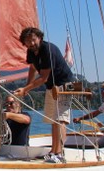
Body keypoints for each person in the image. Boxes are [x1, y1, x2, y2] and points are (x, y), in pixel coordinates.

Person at [13, 27, 73, 163]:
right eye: (28, 42)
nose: (31, 43)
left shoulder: (47, 50)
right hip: (52, 87)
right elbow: (33, 67)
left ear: (39, 37)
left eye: (33, 40)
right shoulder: (32, 52)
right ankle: (53, 151)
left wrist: (26, 89)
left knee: (60, 119)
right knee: (53, 119)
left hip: (63, 85)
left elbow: (44, 77)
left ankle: (59, 153)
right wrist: (26, 87)